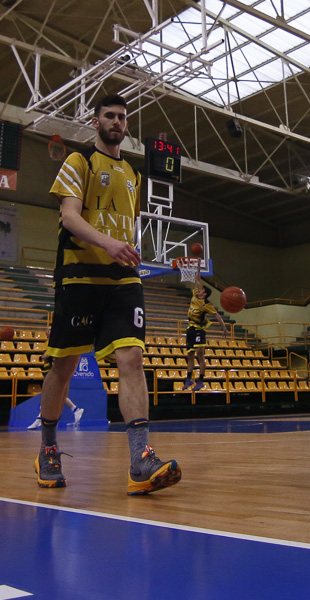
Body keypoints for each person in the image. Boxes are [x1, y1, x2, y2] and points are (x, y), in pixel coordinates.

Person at [39, 94, 181, 494]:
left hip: (122, 278)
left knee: (132, 358)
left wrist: (124, 248)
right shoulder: (79, 161)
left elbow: (127, 227)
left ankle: (140, 459)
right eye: (109, 116)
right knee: (64, 367)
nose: (116, 121)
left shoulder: (133, 174)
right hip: (79, 275)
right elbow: (69, 216)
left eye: (122, 117)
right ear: (96, 121)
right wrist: (108, 243)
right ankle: (48, 448)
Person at [183, 284, 227, 392]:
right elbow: (197, 282)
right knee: (190, 355)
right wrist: (198, 273)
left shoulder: (207, 305)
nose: (199, 290)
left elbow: (217, 316)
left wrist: (224, 329)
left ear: (205, 293)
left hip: (199, 330)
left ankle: (201, 380)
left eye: (202, 289)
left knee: (200, 355)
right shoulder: (195, 295)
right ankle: (188, 379)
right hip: (190, 330)